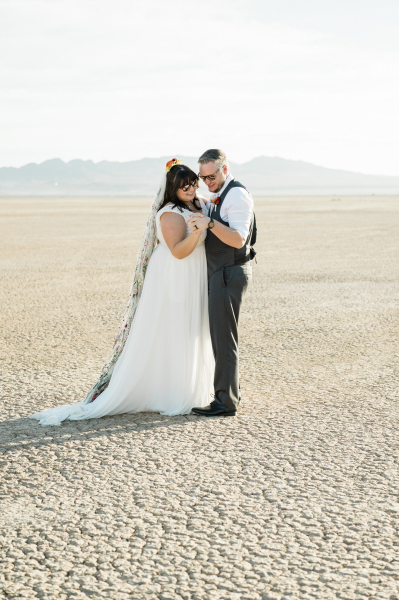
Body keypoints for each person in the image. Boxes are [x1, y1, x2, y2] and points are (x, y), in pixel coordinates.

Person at [30, 160, 214, 426]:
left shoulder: (199, 203)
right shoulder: (170, 213)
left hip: (194, 273)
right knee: (174, 328)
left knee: (191, 328)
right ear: (172, 188)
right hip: (175, 275)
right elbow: (179, 251)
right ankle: (172, 391)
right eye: (183, 185)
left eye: (193, 183)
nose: (190, 188)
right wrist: (197, 231)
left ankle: (195, 384)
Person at [188, 149, 256, 418]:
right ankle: (229, 394)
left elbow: (239, 239)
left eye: (212, 176)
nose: (208, 181)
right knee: (221, 336)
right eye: (203, 178)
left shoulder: (237, 194)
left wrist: (210, 224)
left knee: (224, 338)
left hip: (229, 272)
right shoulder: (221, 193)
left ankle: (225, 402)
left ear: (225, 169)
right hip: (222, 272)